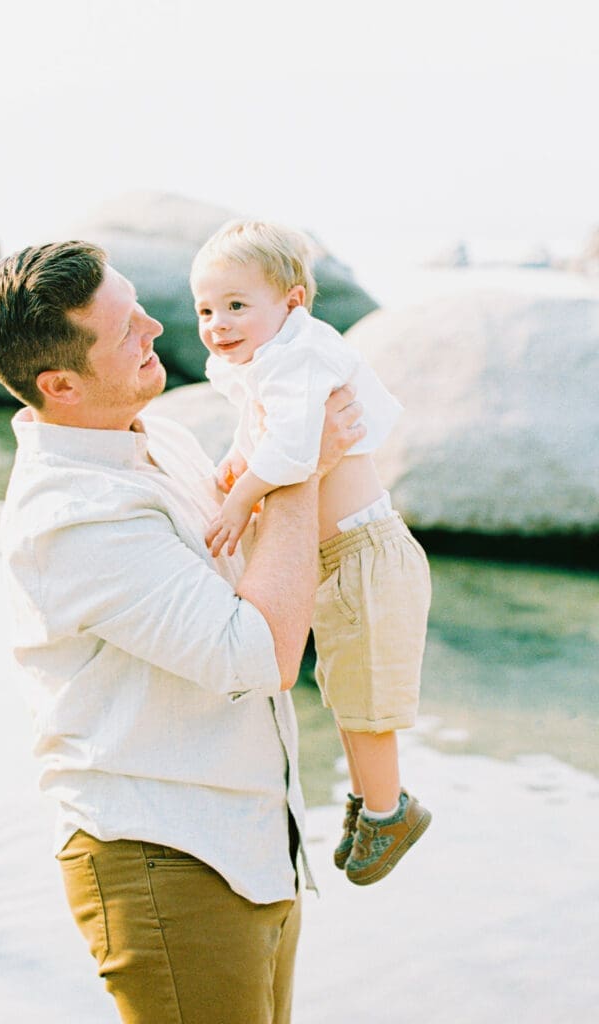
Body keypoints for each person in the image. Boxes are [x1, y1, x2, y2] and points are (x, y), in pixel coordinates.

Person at [0, 239, 366, 1024]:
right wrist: (298, 464)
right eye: (125, 331)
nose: (157, 327)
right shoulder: (75, 516)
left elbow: (262, 580)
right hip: (165, 859)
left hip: (247, 843)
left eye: (139, 306)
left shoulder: (160, 442)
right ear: (61, 384)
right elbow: (267, 653)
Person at [190, 220, 432, 886]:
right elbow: (262, 431)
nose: (219, 323)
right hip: (337, 557)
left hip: (363, 551)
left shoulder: (299, 357)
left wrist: (241, 500)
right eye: (206, 309)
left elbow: (297, 448)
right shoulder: (267, 364)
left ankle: (391, 811)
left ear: (292, 304)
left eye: (238, 305)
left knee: (367, 698)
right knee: (346, 689)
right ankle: (370, 797)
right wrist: (235, 461)